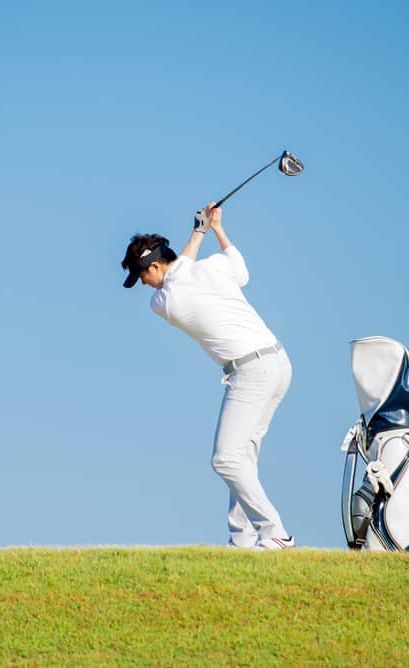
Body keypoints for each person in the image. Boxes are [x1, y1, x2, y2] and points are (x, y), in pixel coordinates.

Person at [121, 203, 295, 550]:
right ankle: (242, 540)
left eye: (143, 275)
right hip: (278, 363)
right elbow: (239, 270)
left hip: (251, 372)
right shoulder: (211, 269)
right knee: (242, 458)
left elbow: (181, 272)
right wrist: (216, 229)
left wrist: (200, 232)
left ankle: (274, 532)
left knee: (225, 458)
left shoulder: (165, 300)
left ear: (155, 266)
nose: (143, 284)